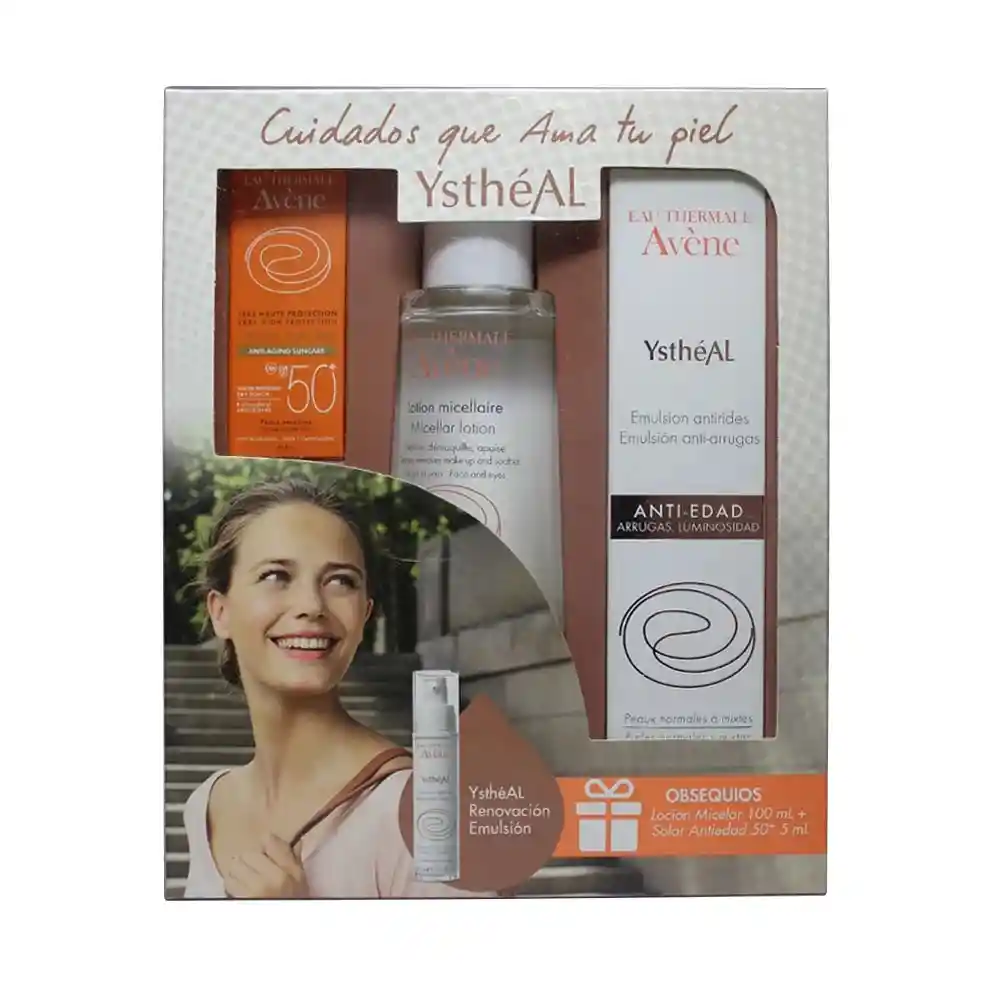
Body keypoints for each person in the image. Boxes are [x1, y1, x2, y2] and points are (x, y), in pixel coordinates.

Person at [181, 478, 483, 898]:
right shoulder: (206, 807)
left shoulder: (425, 814)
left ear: (365, 614)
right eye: (275, 576)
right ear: (220, 611)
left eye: (340, 581)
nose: (312, 606)